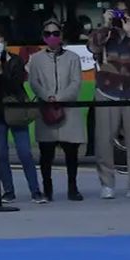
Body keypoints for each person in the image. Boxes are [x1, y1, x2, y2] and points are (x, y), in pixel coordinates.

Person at [88, 5, 130, 199]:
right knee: (104, 140)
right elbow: (93, 46)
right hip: (107, 92)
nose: (120, 16)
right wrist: (105, 24)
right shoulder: (105, 34)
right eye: (116, 12)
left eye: (124, 12)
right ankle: (107, 184)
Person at [0, 26, 44, 202]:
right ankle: (8, 191)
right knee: (0, 153)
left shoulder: (15, 60)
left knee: (24, 152)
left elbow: (16, 86)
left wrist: (1, 71)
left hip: (16, 111)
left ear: (5, 43)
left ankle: (35, 190)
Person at [28, 19, 87, 202]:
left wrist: (60, 97)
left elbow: (76, 82)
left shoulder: (73, 58)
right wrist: (47, 96)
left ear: (61, 35)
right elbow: (34, 82)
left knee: (71, 153)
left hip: (68, 109)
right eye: (47, 34)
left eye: (55, 33)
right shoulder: (36, 59)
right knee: (46, 154)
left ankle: (73, 188)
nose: (52, 37)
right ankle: (48, 188)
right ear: (43, 37)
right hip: (46, 110)